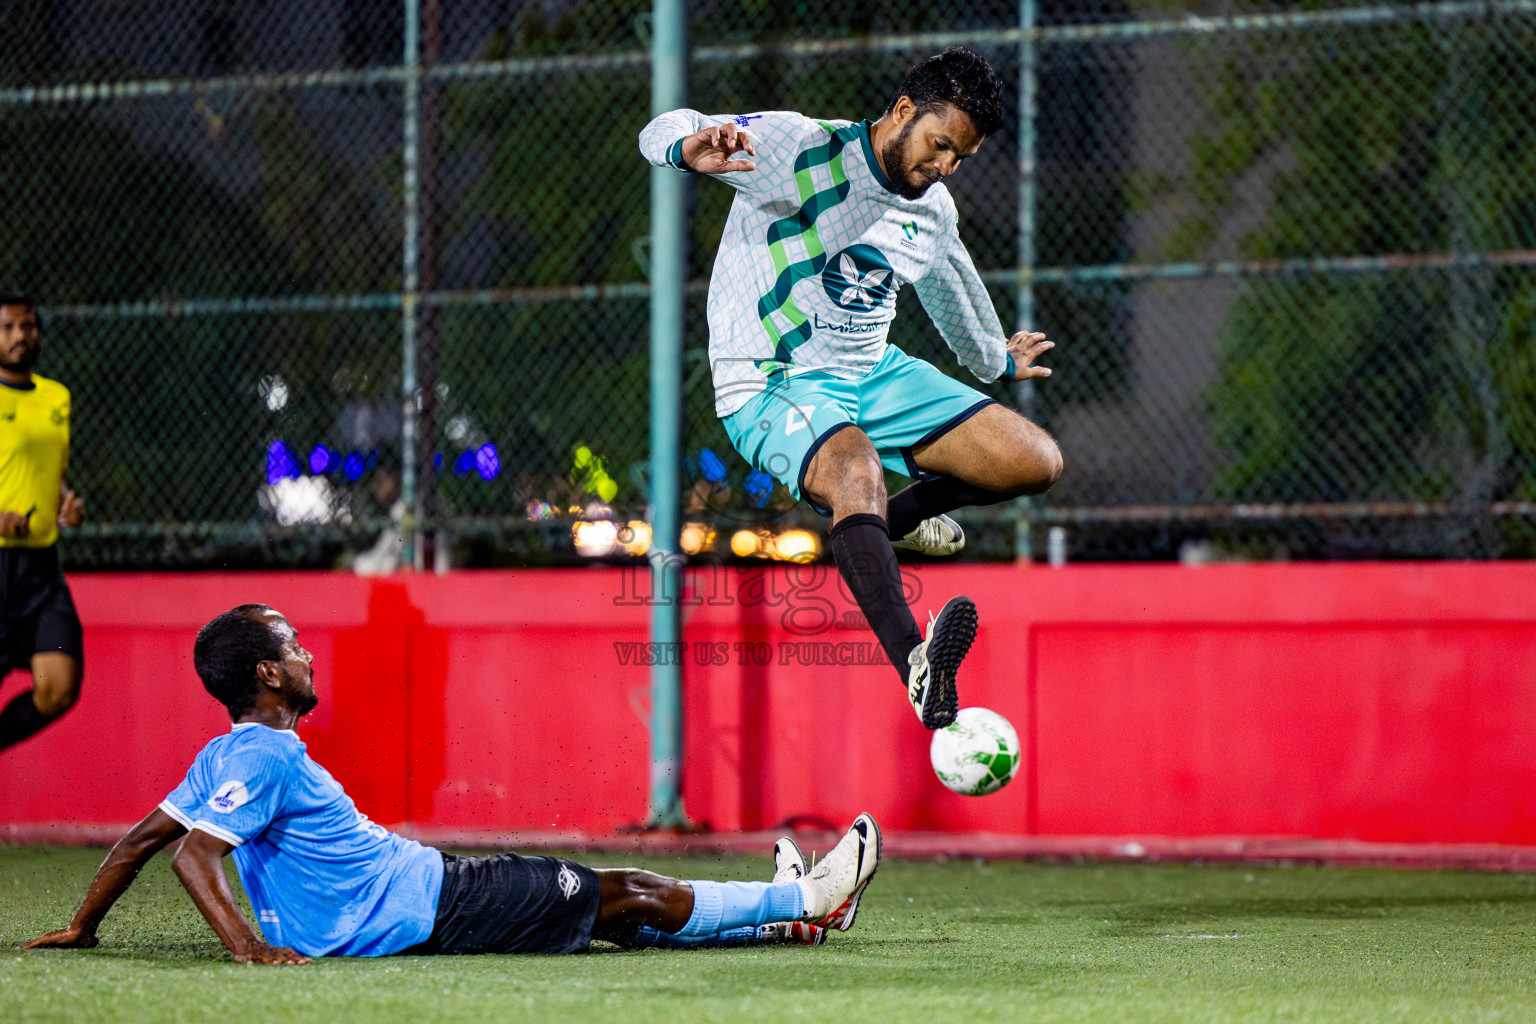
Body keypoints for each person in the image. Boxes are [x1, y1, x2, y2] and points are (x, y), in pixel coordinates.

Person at [22, 605, 879, 961]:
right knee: (626, 892)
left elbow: (141, 841)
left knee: (603, 913)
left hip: (421, 894)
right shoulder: (266, 756)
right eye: (292, 645)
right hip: (426, 904)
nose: (307, 651)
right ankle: (801, 902)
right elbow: (190, 858)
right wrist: (250, 951)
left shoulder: (220, 757)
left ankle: (775, 924)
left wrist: (82, 925)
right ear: (268, 676)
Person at [638, 48, 1064, 730]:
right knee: (855, 465)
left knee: (1034, 460)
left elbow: (955, 291)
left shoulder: (933, 210)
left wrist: (995, 363)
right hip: (768, 378)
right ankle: (919, 669)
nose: (945, 166)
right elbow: (662, 125)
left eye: (961, 156)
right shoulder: (796, 147)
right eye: (940, 144)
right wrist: (686, 146)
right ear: (903, 113)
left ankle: (885, 525)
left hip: (874, 374)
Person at [0, 291, 87, 754]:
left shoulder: (56, 396)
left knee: (59, 687)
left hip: (41, 570)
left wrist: (67, 500)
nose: (20, 335)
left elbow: (50, 471)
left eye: (28, 326)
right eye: (9, 327)